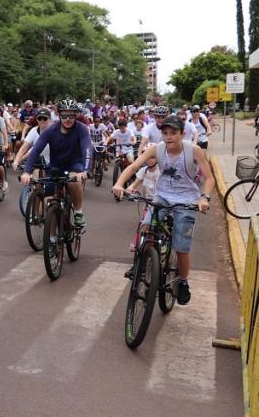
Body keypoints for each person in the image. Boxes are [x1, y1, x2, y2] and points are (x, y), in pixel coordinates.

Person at [113, 115, 214, 305]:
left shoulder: (194, 151)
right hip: (162, 196)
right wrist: (119, 183)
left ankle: (183, 282)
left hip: (187, 200)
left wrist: (204, 197)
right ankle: (140, 265)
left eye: (174, 133)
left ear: (182, 134)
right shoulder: (156, 149)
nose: (169, 137)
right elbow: (134, 165)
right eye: (165, 133)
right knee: (145, 227)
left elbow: (209, 179)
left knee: (181, 247)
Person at [21, 98, 92, 227]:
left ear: (76, 115)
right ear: (59, 115)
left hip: (74, 164)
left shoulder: (82, 129)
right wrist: (26, 172)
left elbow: (87, 149)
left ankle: (78, 212)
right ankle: (52, 239)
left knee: (74, 181)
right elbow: (35, 150)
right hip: (55, 166)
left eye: (71, 115)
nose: (68, 119)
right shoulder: (51, 130)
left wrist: (86, 171)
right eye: (64, 115)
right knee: (49, 199)